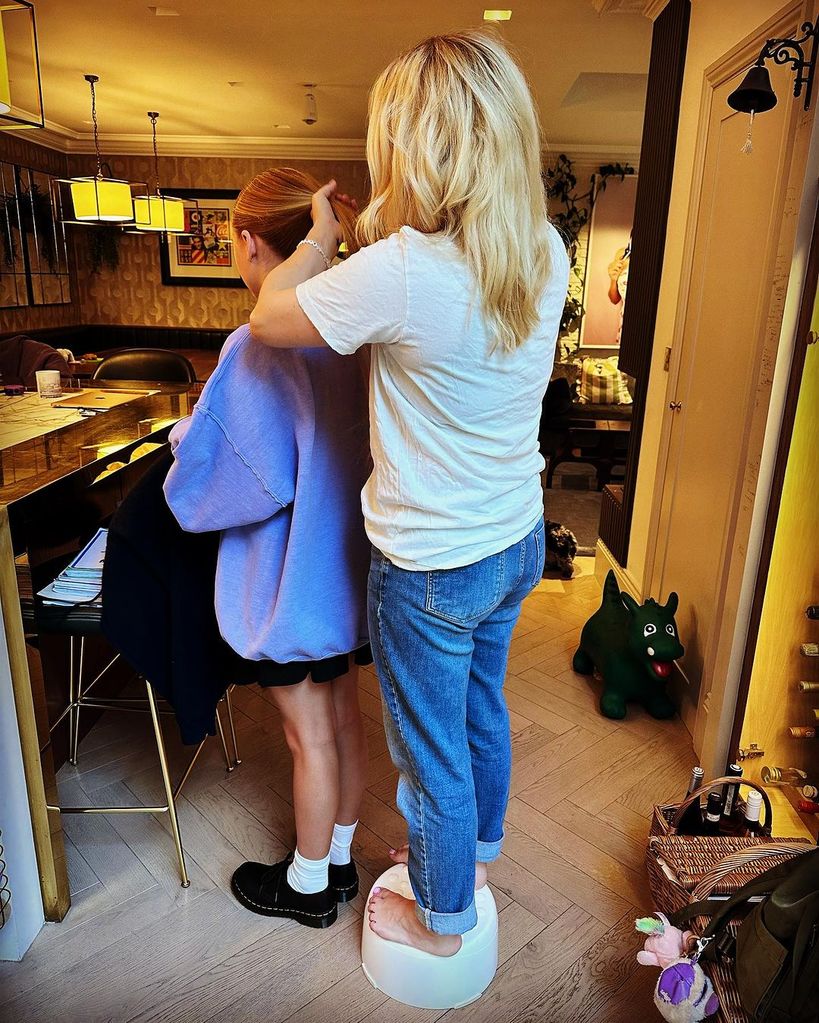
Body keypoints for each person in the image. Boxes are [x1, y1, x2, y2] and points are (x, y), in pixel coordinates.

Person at [247, 32, 570, 956]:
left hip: (429, 563)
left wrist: (317, 234)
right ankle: (475, 853)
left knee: (428, 757)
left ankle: (442, 920)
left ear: (416, 147)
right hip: (513, 538)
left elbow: (269, 318)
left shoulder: (397, 272)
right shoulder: (537, 248)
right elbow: (423, 252)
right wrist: (377, 220)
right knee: (480, 710)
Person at [163, 168, 371, 930]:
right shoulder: (347, 334)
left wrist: (188, 436)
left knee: (304, 731)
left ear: (249, 243)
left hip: (285, 577)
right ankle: (340, 855)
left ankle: (309, 884)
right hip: (340, 568)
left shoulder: (258, 342)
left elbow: (215, 482)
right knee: (343, 717)